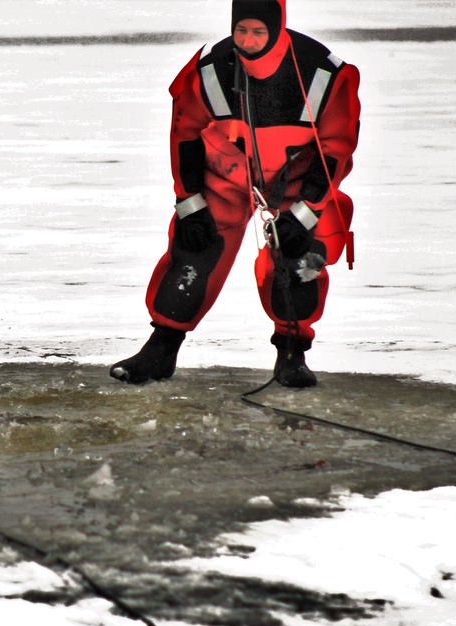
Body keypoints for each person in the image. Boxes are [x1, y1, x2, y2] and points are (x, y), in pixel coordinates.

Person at [111, 0, 360, 387]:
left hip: (297, 178)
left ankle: (291, 356)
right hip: (226, 171)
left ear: (277, 29)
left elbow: (336, 147)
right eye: (240, 30)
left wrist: (307, 211)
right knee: (196, 248)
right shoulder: (211, 66)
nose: (247, 41)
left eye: (259, 32)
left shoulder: (324, 72)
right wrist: (189, 201)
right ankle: (161, 348)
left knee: (299, 255)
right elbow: (185, 133)